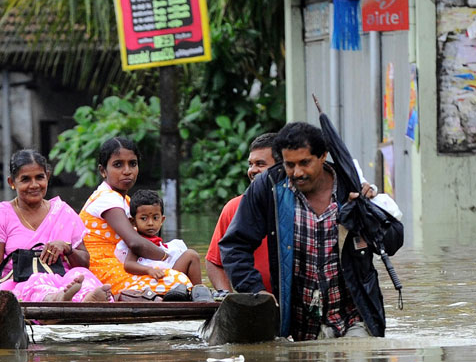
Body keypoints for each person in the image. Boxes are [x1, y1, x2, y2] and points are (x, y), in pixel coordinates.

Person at [219, 121, 401, 340]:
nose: (297, 173)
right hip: (297, 328)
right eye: (289, 165)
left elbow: (392, 242)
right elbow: (234, 246)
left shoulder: (349, 186)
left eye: (305, 163)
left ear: (323, 156)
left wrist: (366, 213)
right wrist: (257, 291)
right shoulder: (269, 188)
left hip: (354, 318)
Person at [79, 137, 205, 301]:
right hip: (104, 270)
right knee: (178, 279)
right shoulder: (106, 199)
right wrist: (167, 257)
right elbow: (135, 243)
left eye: (132, 164)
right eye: (118, 165)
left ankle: (198, 302)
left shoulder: (126, 201)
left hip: (125, 264)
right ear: (103, 171)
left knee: (190, 258)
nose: (127, 171)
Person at [0, 150, 113, 303]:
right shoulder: (2, 213)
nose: (34, 185)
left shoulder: (63, 211)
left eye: (39, 177)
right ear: (12, 182)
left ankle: (86, 299)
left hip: (63, 281)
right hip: (17, 284)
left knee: (80, 274)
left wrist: (67, 248)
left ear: (48, 177)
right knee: (36, 281)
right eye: (25, 179)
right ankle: (57, 299)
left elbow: (85, 263)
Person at [205, 133, 280, 292]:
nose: (252, 170)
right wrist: (228, 298)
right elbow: (215, 262)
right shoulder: (233, 207)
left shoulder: (300, 206)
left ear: (280, 168)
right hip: (254, 302)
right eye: (250, 164)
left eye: (260, 164)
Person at [116, 188, 202, 286]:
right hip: (153, 281)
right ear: (133, 222)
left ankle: (198, 291)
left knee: (191, 255)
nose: (150, 223)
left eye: (155, 218)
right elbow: (129, 265)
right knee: (191, 255)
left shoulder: (158, 242)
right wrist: (149, 270)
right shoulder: (138, 242)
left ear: (162, 220)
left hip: (166, 277)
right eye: (143, 218)